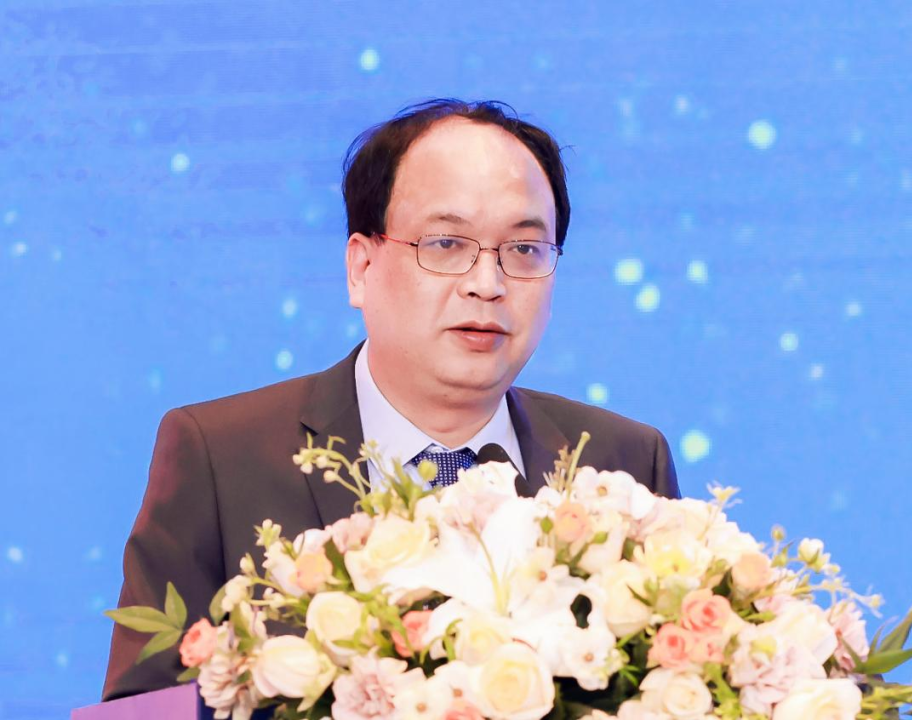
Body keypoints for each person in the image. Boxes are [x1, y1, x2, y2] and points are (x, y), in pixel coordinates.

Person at [103, 99, 681, 700]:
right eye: (446, 243)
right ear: (361, 267)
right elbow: (144, 710)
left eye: (524, 249)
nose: (488, 284)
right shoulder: (220, 458)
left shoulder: (624, 466)